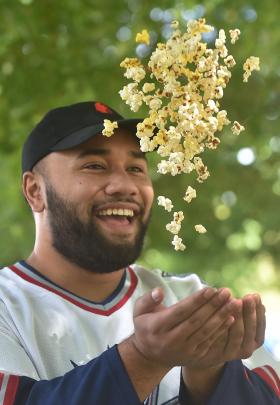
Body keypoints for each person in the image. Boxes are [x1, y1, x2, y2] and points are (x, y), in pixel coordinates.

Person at [0, 100, 279, 405]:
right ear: (35, 191)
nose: (125, 185)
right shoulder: (7, 307)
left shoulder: (191, 300)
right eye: (95, 166)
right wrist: (143, 359)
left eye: (136, 168)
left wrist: (210, 371)